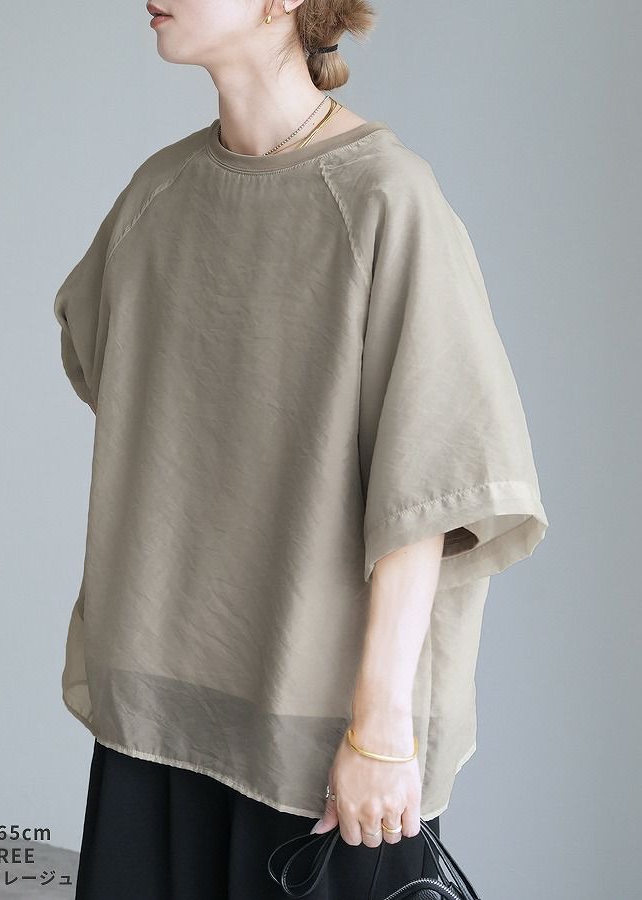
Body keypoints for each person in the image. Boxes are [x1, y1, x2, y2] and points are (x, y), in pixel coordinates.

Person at [52, 1, 549, 897]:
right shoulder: (158, 194)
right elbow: (121, 379)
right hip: (157, 714)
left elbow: (430, 489)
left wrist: (380, 732)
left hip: (321, 737)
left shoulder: (385, 197)